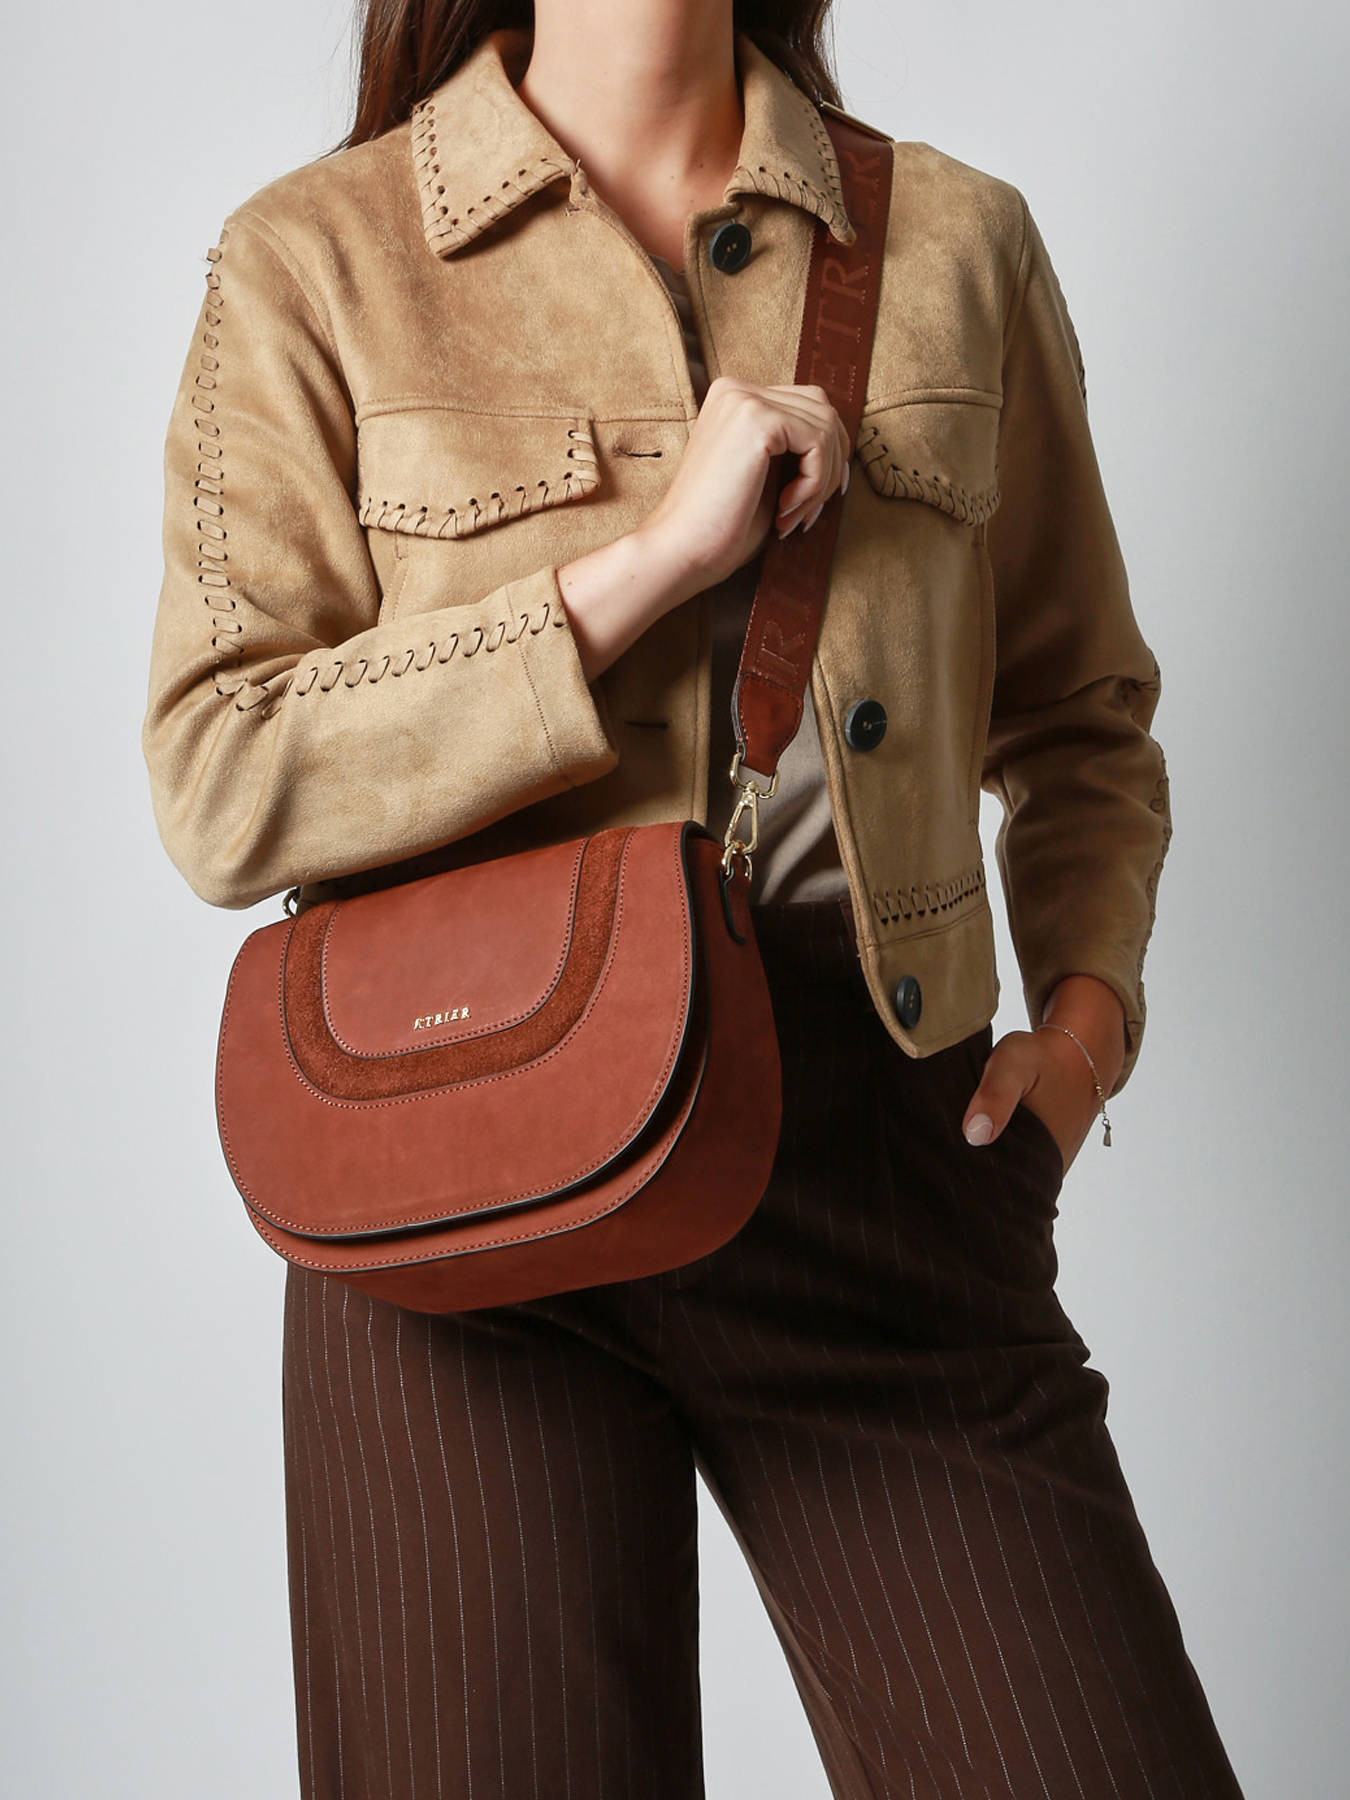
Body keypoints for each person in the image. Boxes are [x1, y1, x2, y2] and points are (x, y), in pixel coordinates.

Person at [141, 3, 1246, 1795]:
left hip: (880, 1153)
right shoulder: (316, 257)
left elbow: (1078, 714)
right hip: (454, 1183)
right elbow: (220, 772)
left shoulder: (953, 238)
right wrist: (644, 571)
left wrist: (1082, 1033)